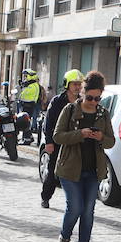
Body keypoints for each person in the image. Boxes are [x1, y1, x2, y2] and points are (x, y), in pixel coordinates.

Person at [52, 70, 114, 242]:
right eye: (90, 97)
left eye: (98, 98)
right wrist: (80, 134)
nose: (94, 102)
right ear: (82, 92)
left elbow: (111, 142)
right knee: (75, 207)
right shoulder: (70, 110)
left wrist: (100, 138)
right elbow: (58, 136)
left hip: (93, 170)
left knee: (88, 211)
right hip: (70, 169)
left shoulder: (103, 114)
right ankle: (65, 237)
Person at [40, 69, 85, 209]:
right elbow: (48, 123)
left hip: (76, 142)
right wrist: (48, 142)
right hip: (58, 141)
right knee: (53, 171)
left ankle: (75, 201)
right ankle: (46, 197)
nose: (77, 87)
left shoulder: (83, 102)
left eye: (79, 84)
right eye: (74, 84)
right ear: (67, 85)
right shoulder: (57, 101)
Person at [17, 68, 43, 143]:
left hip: (29, 105)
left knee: (25, 122)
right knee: (25, 121)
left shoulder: (33, 85)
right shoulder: (30, 84)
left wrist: (23, 87)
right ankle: (29, 137)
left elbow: (26, 93)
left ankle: (27, 138)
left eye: (26, 76)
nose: (25, 78)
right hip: (25, 104)